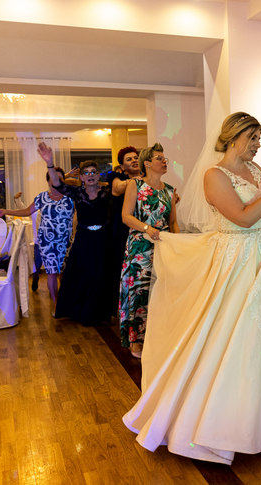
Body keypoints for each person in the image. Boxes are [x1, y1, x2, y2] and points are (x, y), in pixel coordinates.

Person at [123, 112, 261, 465]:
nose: (258, 144)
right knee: (236, 335)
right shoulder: (214, 175)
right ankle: (222, 424)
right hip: (237, 258)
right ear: (234, 137)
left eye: (259, 138)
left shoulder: (253, 168)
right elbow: (244, 217)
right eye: (253, 138)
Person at [39, 145, 111, 325]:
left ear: (98, 175)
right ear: (81, 178)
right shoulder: (77, 193)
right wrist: (49, 163)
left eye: (93, 172)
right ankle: (75, 310)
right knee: (79, 274)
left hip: (102, 239)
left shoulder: (108, 193)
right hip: (84, 238)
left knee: (100, 275)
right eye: (86, 173)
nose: (90, 175)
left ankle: (99, 313)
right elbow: (58, 183)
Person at [119, 143, 178, 358]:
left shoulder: (170, 190)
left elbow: (173, 222)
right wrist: (147, 228)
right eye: (159, 158)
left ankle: (158, 338)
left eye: (165, 159)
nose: (164, 162)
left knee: (160, 292)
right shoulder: (135, 184)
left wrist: (178, 244)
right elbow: (126, 216)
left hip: (163, 246)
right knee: (139, 290)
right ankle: (136, 341)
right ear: (147, 163)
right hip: (140, 246)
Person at [0, 168, 74, 305]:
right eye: (53, 178)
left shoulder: (71, 197)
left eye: (60, 179)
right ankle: (56, 305)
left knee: (67, 273)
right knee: (52, 274)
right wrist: (5, 211)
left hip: (66, 241)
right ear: (48, 181)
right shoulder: (42, 197)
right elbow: (26, 211)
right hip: (47, 242)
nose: (56, 181)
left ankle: (68, 302)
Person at [107, 146, 141, 317]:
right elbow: (119, 188)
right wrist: (138, 181)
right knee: (121, 269)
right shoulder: (117, 177)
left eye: (136, 158)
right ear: (122, 166)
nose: (134, 160)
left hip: (142, 229)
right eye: (129, 159)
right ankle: (121, 309)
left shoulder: (148, 178)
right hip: (122, 231)